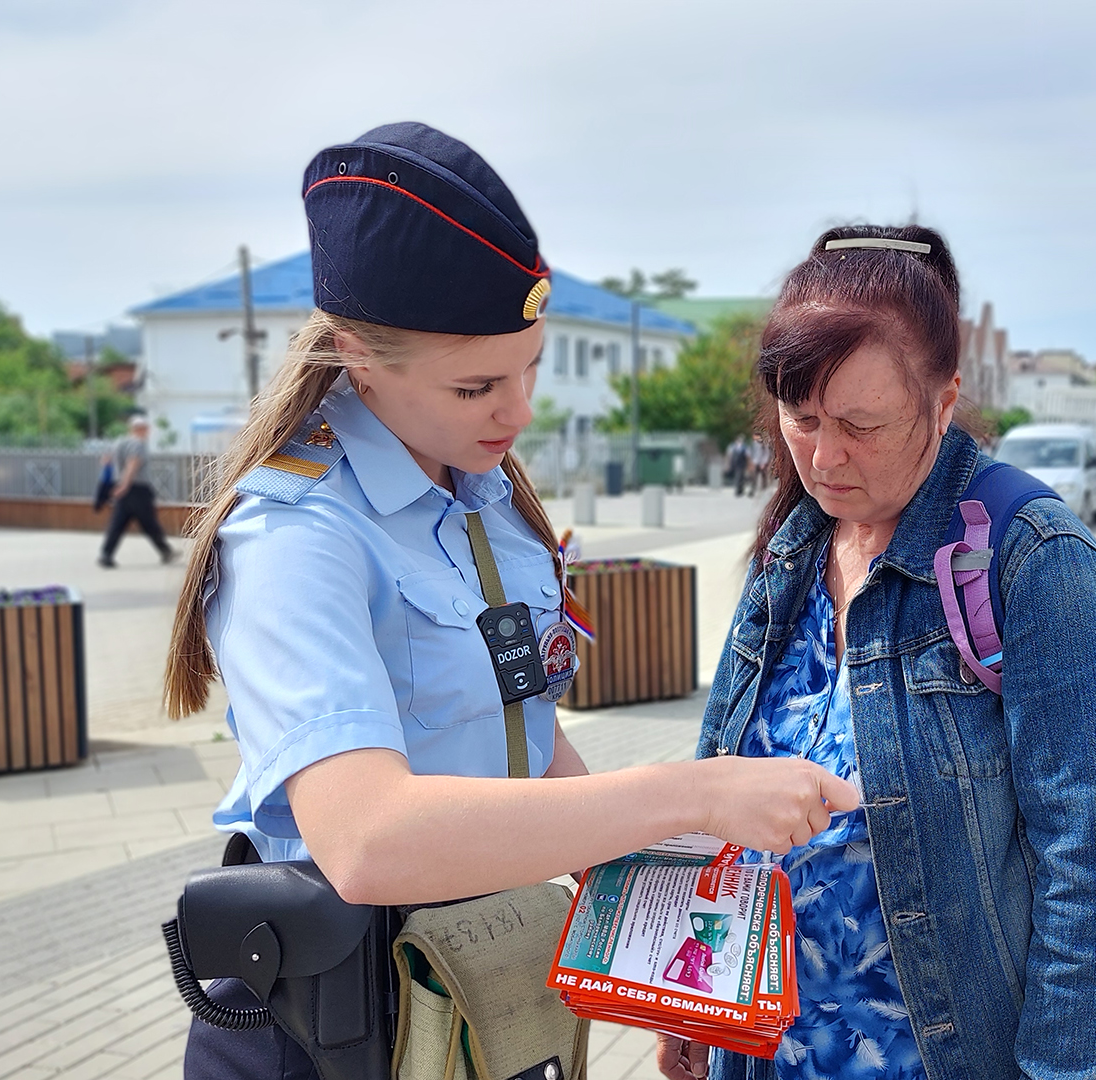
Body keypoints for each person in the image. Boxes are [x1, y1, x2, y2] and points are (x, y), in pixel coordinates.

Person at [163, 122, 857, 1080]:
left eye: (531, 366)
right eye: (479, 383)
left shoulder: (476, 494)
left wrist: (677, 955)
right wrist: (687, 793)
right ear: (361, 356)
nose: (519, 410)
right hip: (342, 1024)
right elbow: (368, 840)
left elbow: (527, 749)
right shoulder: (297, 534)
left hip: (473, 994)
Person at [662, 225, 1096, 1080]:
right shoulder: (791, 551)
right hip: (768, 1052)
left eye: (863, 424)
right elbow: (724, 777)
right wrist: (692, 1001)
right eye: (803, 420)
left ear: (943, 402)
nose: (825, 458)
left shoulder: (1037, 567)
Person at [99, 413, 175, 568]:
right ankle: (165, 550)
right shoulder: (138, 444)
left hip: (123, 486)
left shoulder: (119, 443)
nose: (148, 432)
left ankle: (106, 554)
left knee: (118, 523)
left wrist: (117, 484)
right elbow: (133, 464)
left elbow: (106, 460)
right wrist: (125, 486)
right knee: (148, 521)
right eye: (146, 429)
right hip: (136, 488)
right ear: (139, 429)